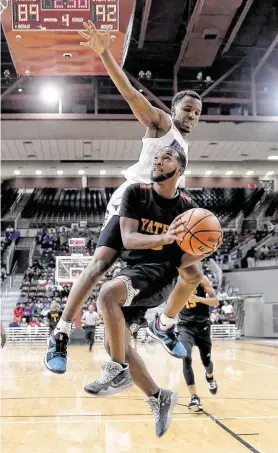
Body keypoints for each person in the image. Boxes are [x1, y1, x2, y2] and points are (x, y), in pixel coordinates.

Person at [44, 20, 203, 374]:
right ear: (175, 109)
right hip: (131, 199)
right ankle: (60, 334)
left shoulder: (184, 147)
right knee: (100, 263)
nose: (192, 115)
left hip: (159, 208)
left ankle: (163, 323)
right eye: (187, 109)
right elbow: (133, 94)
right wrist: (105, 55)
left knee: (190, 270)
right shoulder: (162, 124)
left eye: (197, 112)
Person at [84, 147, 218, 399]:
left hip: (159, 275)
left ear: (179, 169)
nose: (158, 161)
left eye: (166, 158)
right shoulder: (135, 192)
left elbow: (183, 262)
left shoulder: (188, 208)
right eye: (156, 158)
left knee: (107, 294)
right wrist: (164, 237)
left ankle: (118, 369)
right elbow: (129, 239)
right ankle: (159, 397)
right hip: (131, 271)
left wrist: (204, 250)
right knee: (114, 344)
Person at [178, 275, 219, 412]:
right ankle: (194, 397)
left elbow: (216, 302)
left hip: (203, 326)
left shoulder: (201, 278)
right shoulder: (173, 280)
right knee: (185, 357)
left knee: (206, 361)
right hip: (185, 326)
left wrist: (199, 299)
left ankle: (210, 377)